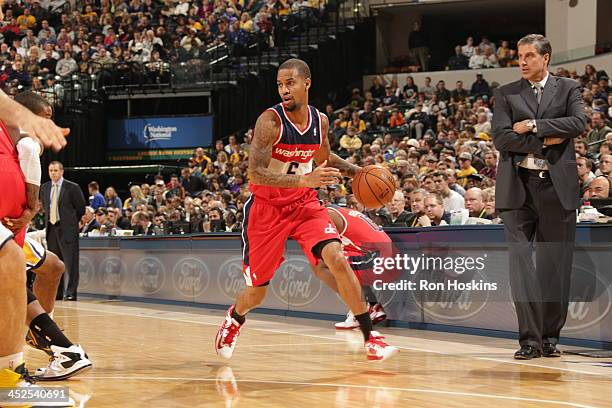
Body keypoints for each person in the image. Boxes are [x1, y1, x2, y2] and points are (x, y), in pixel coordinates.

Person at [214, 59, 398, 362]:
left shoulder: (320, 121)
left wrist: (357, 172)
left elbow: (323, 157)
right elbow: (255, 173)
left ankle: (371, 337)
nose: (284, 89)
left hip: (303, 205)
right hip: (267, 210)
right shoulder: (270, 122)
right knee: (257, 293)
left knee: (337, 259)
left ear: (306, 83)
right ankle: (235, 317)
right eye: (280, 84)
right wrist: (303, 178)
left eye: (290, 83)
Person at [492, 34, 587, 360]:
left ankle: (549, 338)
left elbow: (578, 122)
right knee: (522, 267)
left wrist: (532, 125)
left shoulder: (569, 88)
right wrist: (548, 140)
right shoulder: (505, 94)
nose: (522, 61)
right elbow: (503, 139)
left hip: (557, 189)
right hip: (517, 189)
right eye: (520, 55)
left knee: (555, 268)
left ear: (546, 58)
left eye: (529, 55)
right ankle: (529, 341)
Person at [0, 41, 71, 401]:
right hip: (15, 219)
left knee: (34, 267)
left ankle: (14, 369)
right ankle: (57, 350)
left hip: (13, 221)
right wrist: (30, 206)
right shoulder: (24, 138)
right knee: (21, 267)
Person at [312, 206, 391, 329]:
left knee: (322, 266)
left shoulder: (327, 216)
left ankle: (361, 308)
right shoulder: (340, 210)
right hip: (382, 253)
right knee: (324, 263)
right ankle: (371, 305)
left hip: (380, 258)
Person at [40, 161, 86, 301]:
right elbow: (45, 207)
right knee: (55, 264)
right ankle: (57, 293)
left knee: (70, 263)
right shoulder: (45, 187)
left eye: (55, 170)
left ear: (61, 172)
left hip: (67, 230)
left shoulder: (72, 187)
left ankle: (71, 293)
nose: (53, 173)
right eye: (50, 170)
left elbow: (80, 208)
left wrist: (71, 224)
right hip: (52, 229)